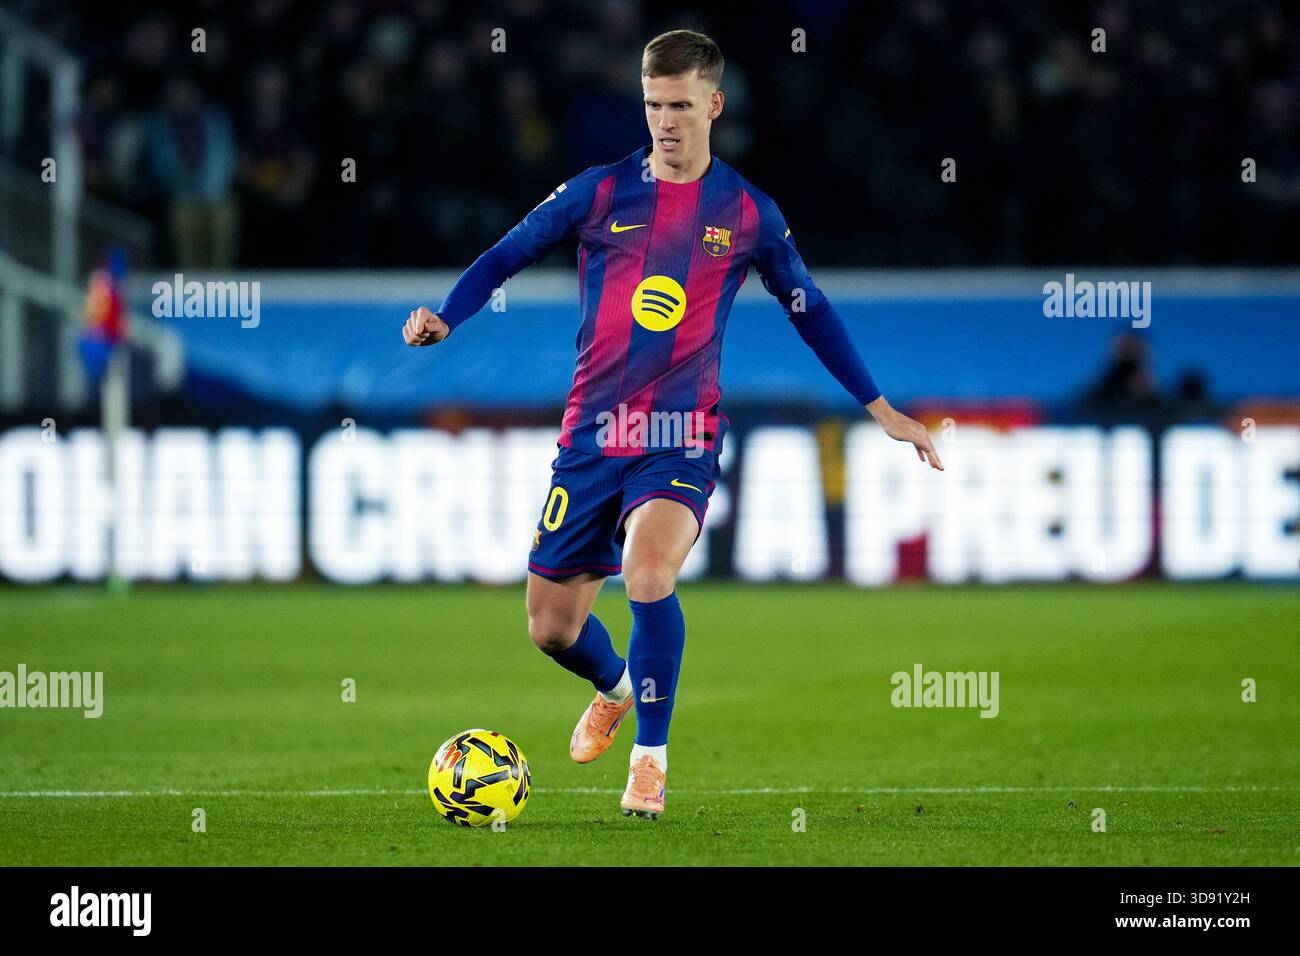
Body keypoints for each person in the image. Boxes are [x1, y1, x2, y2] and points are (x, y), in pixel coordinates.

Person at [403, 30, 942, 819]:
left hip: (678, 438)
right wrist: (448, 317)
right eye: (654, 104)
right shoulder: (597, 193)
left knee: (649, 574)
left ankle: (649, 764)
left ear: (714, 105)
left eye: (682, 105)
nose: (665, 120)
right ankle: (618, 689)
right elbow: (505, 254)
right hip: (591, 438)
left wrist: (881, 408)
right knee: (551, 628)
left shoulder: (749, 213)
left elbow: (810, 308)